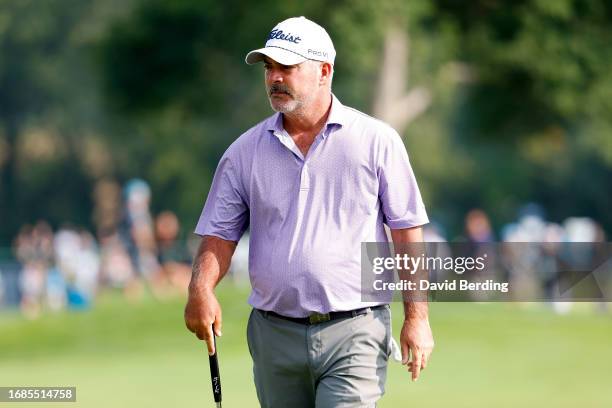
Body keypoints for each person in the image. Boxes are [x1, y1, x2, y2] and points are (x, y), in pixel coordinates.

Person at [185, 16, 434, 407]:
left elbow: (406, 233)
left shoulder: (377, 141)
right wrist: (200, 290)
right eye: (269, 67)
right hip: (274, 335)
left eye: (287, 66)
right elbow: (220, 234)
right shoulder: (243, 153)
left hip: (356, 328)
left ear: (324, 71)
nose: (274, 77)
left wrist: (417, 319)